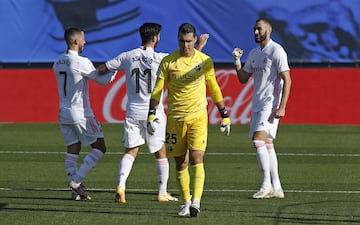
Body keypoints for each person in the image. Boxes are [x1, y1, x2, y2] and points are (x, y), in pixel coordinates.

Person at [97, 22, 209, 203]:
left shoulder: (127, 56)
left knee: (131, 151)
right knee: (161, 152)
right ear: (156, 38)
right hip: (153, 111)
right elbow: (188, 62)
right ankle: (162, 192)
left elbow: (103, 68)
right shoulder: (162, 58)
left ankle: (121, 186)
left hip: (132, 111)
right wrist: (200, 46)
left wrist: (90, 74)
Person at [147, 22, 231, 217]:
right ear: (178, 39)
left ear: (195, 40)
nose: (186, 45)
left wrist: (224, 115)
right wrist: (151, 113)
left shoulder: (205, 61)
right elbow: (158, 89)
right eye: (182, 41)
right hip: (175, 118)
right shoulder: (168, 61)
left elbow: (214, 87)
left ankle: (196, 202)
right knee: (180, 163)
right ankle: (185, 202)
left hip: (198, 116)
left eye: (189, 42)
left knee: (196, 157)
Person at [53, 27, 116, 201]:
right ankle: (76, 181)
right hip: (80, 112)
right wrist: (115, 69)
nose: (85, 42)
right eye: (83, 39)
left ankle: (75, 190)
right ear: (75, 42)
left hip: (63, 112)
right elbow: (103, 81)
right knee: (100, 147)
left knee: (74, 147)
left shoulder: (57, 62)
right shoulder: (81, 61)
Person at [232, 18, 291, 199]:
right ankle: (277, 187)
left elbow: (287, 80)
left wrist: (282, 106)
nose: (256, 32)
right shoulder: (254, 53)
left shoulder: (276, 50)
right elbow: (243, 78)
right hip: (257, 103)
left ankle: (266, 185)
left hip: (270, 103)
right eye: (254, 29)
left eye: (259, 29)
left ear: (269, 30)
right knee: (267, 144)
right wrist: (237, 61)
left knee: (258, 140)